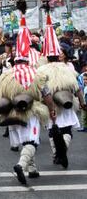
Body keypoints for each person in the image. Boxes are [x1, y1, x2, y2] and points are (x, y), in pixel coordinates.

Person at [0, 0, 51, 186]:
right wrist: (51, 109)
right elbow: (47, 94)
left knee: (24, 141)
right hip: (31, 112)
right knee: (32, 142)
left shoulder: (6, 75)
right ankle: (21, 165)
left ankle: (32, 169)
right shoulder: (36, 73)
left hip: (12, 114)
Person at [38, 12, 85, 169]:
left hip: (56, 103)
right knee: (62, 130)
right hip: (61, 103)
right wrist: (83, 102)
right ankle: (60, 152)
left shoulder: (43, 69)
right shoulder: (66, 68)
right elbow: (77, 88)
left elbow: (39, 90)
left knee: (55, 130)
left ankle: (58, 153)